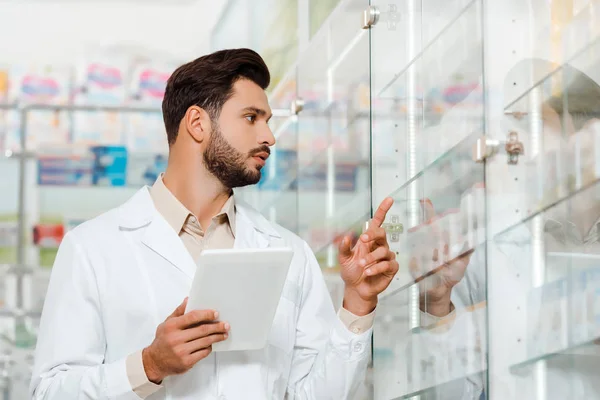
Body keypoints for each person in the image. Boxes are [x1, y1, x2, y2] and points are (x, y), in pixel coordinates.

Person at [29, 48, 399, 399]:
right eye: (252, 118)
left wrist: (358, 302)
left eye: (268, 121)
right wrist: (148, 365)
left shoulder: (289, 253)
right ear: (196, 123)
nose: (269, 137)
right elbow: (49, 391)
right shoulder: (93, 248)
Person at [407, 59, 600, 399]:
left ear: (587, 134)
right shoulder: (485, 245)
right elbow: (453, 393)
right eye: (510, 127)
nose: (514, 144)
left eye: (531, 124)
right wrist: (438, 307)